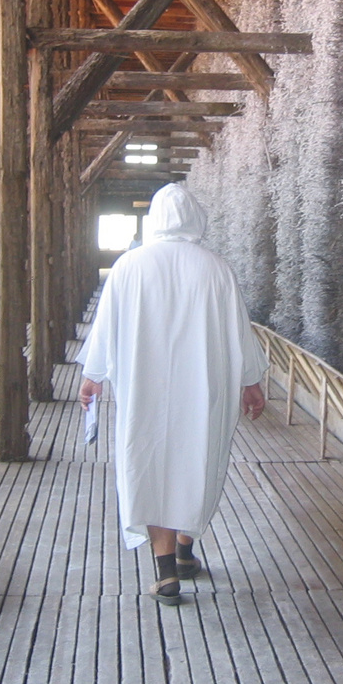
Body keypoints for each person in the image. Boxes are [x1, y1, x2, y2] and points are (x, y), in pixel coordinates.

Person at [77, 183, 267, 605]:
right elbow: (240, 331)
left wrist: (93, 376)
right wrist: (250, 382)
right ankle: (184, 550)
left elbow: (106, 326)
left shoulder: (129, 266)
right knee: (195, 460)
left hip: (144, 386)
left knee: (148, 462)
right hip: (203, 388)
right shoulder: (216, 267)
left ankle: (166, 570)